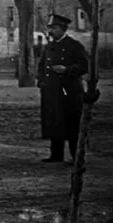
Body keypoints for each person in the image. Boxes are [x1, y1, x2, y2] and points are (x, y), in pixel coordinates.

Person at [37, 14, 89, 164]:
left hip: (69, 92)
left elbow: (84, 65)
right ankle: (56, 155)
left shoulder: (74, 45)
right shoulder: (49, 46)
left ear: (63, 29)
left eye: (54, 28)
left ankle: (76, 156)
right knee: (54, 122)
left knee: (71, 123)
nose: (51, 31)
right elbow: (42, 66)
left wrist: (67, 69)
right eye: (50, 28)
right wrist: (41, 81)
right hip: (51, 92)